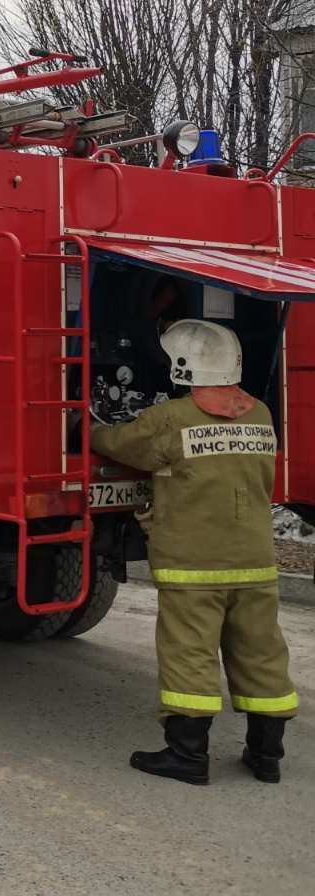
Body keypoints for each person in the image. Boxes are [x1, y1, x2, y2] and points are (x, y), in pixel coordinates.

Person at [91, 319, 297, 784]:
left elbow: (121, 443)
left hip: (195, 564)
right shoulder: (262, 413)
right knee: (261, 651)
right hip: (255, 560)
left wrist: (82, 426)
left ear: (182, 366)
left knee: (190, 652)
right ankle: (266, 757)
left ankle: (187, 755)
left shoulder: (173, 418)